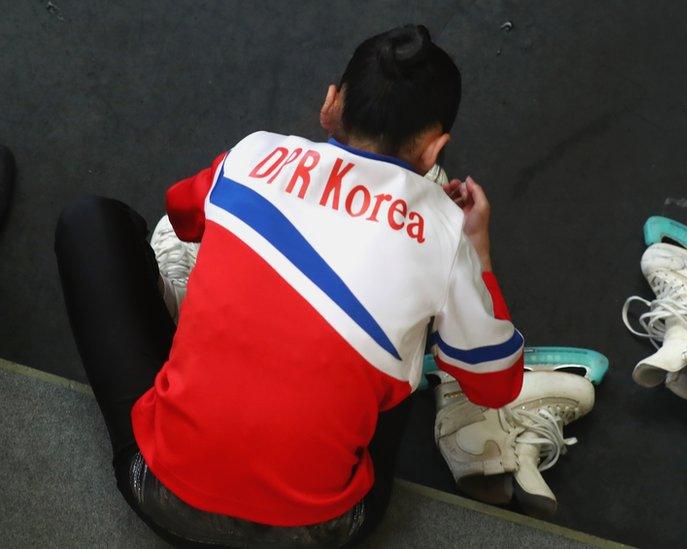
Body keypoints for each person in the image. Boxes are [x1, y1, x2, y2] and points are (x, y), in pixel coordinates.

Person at [55, 25, 524, 547]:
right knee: (404, 352)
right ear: (435, 149)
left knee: (88, 221)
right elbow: (497, 386)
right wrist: (474, 250)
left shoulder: (254, 154)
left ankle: (203, 325)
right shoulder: (445, 231)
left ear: (330, 104)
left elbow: (183, 217)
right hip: (322, 533)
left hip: (159, 497)